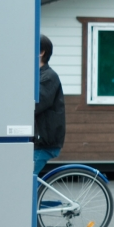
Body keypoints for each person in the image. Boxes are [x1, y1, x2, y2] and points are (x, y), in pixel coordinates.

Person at [34, 35, 65, 174]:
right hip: (38, 141)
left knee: (24, 181)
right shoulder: (37, 76)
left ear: (41, 52)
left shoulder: (48, 77)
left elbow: (36, 104)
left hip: (43, 143)